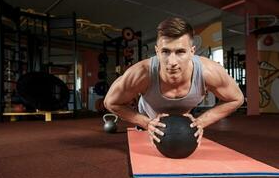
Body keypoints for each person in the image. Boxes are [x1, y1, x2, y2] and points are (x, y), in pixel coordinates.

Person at [104, 17, 244, 146]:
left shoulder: (209, 71)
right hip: (148, 115)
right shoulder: (141, 73)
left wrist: (201, 122)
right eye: (165, 52)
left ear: (192, 51)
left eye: (180, 52)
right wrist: (146, 123)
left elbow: (236, 99)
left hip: (183, 117)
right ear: (157, 51)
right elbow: (110, 102)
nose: (172, 62)